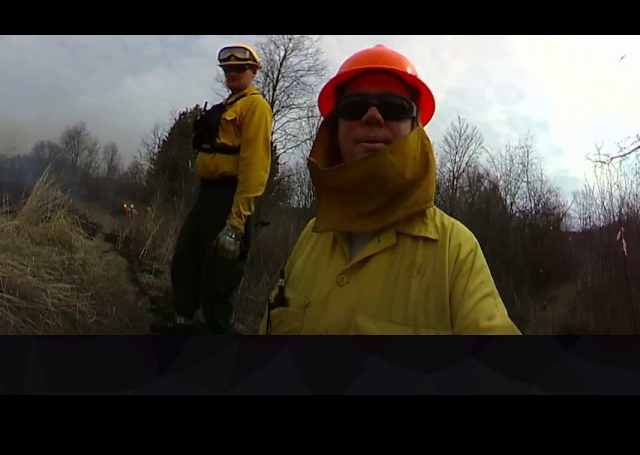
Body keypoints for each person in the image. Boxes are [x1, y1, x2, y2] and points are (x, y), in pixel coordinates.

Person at [259, 44, 521, 335]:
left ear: (415, 130)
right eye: (354, 107)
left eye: (394, 107)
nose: (372, 116)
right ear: (335, 128)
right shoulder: (309, 237)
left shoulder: (456, 251)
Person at [153, 42, 273, 335]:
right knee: (186, 260)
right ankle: (183, 325)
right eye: (228, 69)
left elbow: (255, 168)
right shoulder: (229, 105)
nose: (232, 74)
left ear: (253, 71)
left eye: (239, 69)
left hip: (229, 198)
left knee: (219, 276)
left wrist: (236, 222)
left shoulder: (256, 107)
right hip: (206, 195)